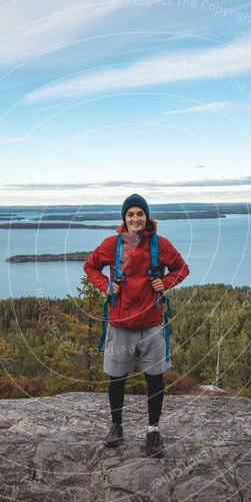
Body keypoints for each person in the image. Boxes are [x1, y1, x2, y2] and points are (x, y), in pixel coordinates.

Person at [84, 194, 190, 457]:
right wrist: (106, 285)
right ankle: (117, 426)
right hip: (120, 324)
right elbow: (91, 267)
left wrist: (164, 283)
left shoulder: (159, 244)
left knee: (155, 380)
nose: (135, 219)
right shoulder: (113, 244)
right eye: (130, 214)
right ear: (124, 218)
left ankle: (153, 431)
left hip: (152, 324)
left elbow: (181, 268)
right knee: (116, 378)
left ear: (146, 217)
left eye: (139, 214)